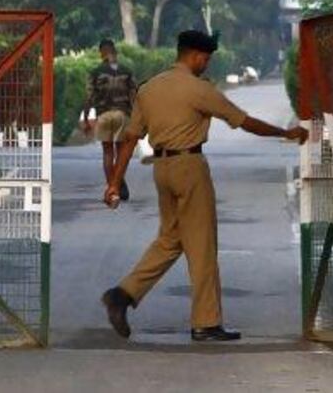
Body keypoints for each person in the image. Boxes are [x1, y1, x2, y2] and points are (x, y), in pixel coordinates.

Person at [100, 29, 308, 342]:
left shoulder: (149, 89)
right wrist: (285, 133)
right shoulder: (198, 89)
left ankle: (123, 294)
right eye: (206, 58)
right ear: (195, 55)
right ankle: (206, 322)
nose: (207, 64)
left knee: (170, 239)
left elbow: (130, 139)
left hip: (161, 169)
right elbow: (243, 121)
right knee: (202, 245)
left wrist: (114, 183)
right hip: (189, 167)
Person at [82, 39, 137, 201]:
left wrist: (86, 119)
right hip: (123, 115)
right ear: (115, 52)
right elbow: (134, 96)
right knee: (121, 152)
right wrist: (137, 117)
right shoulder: (127, 71)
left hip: (104, 115)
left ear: (101, 53)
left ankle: (112, 188)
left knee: (107, 152)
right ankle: (118, 181)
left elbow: (89, 97)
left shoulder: (96, 72)